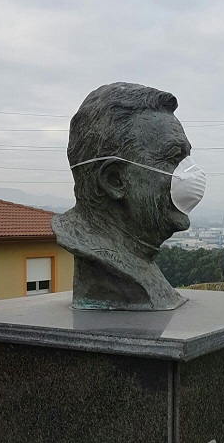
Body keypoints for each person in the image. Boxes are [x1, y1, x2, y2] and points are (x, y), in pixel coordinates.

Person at [52, 82, 205, 310]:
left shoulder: (141, 258)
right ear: (114, 180)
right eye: (174, 158)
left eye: (186, 158)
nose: (192, 174)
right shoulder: (110, 269)